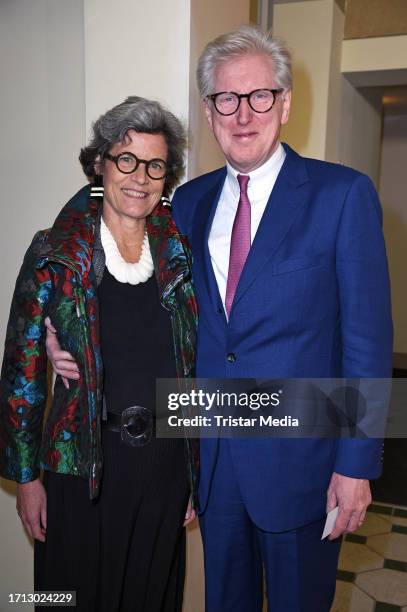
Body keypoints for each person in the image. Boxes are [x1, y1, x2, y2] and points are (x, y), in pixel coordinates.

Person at [170, 25, 392, 612]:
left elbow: (366, 342)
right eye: (226, 99)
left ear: (285, 103)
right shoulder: (186, 204)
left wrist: (355, 465)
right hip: (214, 462)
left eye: (259, 96)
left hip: (305, 465)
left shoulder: (342, 195)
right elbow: (165, 320)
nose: (243, 114)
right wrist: (70, 335)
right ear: (210, 111)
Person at [0, 96, 198, 612]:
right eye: (125, 159)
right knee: (70, 599)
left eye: (155, 164)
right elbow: (21, 374)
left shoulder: (181, 251)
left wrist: (197, 470)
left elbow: (196, 363)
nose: (139, 177)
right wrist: (26, 479)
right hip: (80, 467)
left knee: (151, 597)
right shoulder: (54, 252)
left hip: (165, 466)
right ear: (99, 164)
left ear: (167, 175)